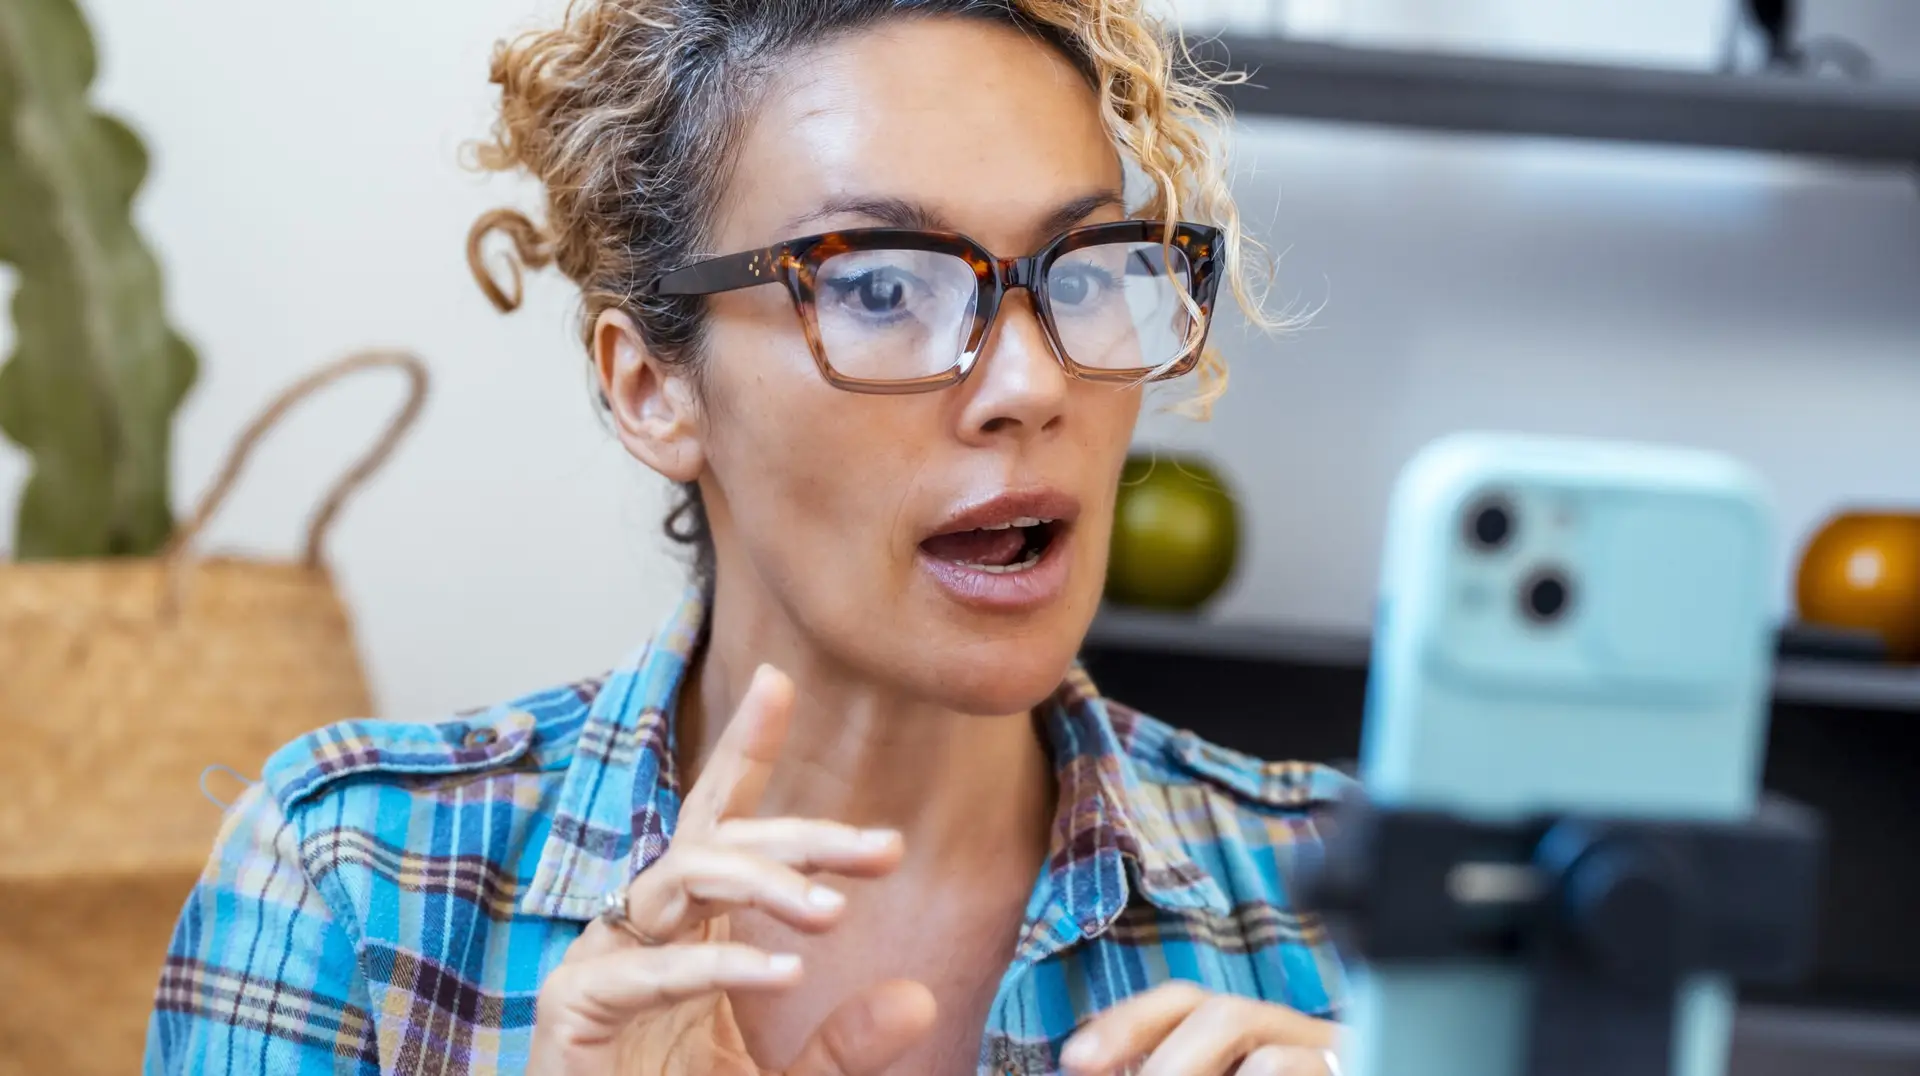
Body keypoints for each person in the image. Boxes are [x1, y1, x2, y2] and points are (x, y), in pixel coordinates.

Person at [145, 0, 1352, 1073]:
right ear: (653, 390)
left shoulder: (1353, 905)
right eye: (882, 285)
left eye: (1084, 271)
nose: (1030, 382)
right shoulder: (349, 882)